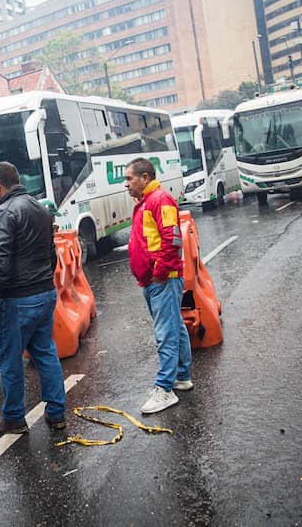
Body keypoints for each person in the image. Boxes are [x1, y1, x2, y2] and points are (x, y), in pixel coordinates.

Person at [0, 162, 66, 435]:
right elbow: (51, 254)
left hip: (16, 299)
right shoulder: (40, 208)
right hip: (44, 293)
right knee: (46, 353)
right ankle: (57, 413)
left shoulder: (4, 213)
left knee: (10, 359)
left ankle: (14, 418)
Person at [123, 158, 193, 414]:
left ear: (144, 177)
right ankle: (181, 377)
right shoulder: (146, 202)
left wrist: (160, 272)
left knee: (165, 333)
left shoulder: (159, 200)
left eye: (129, 179)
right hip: (154, 278)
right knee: (174, 327)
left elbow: (171, 239)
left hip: (162, 279)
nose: (126, 184)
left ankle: (164, 389)